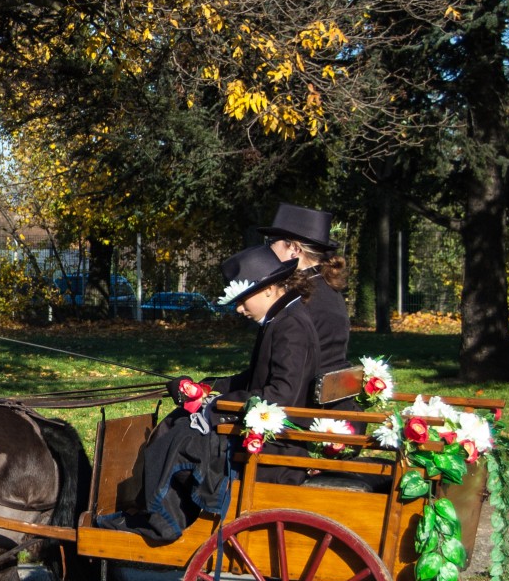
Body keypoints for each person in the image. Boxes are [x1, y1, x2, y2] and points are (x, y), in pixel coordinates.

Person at [97, 245, 321, 542]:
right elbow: (254, 378)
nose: (240, 309)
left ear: (268, 289)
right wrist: (210, 386)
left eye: (243, 300)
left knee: (182, 437)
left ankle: (164, 521)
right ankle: (155, 509)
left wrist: (215, 405)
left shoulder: (290, 326)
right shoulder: (282, 319)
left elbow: (281, 394)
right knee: (177, 422)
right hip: (272, 433)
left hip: (278, 449)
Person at [260, 203, 351, 376]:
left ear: (294, 248)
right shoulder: (327, 287)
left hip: (300, 399)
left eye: (271, 242)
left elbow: (281, 376)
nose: (268, 249)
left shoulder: (299, 298)